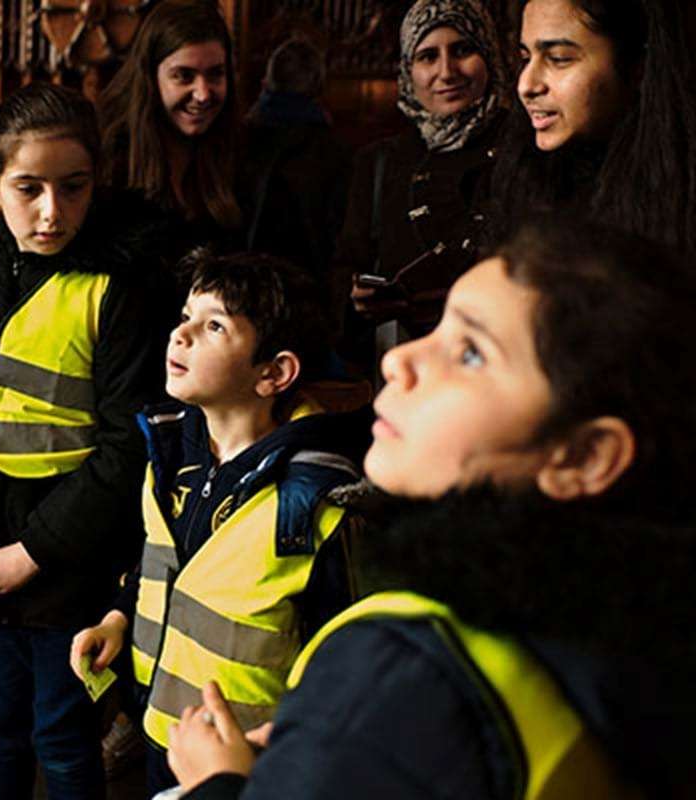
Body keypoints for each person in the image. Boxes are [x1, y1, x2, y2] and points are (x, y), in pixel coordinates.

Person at [165, 219, 696, 798]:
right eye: (437, 328)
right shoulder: (626, 637)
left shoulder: (403, 670)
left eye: (471, 352)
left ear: (586, 456)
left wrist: (218, 783)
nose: (401, 361)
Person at [0, 82, 160, 800]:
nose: (53, 212)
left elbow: (126, 449)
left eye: (73, 188)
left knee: (62, 732)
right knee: (1, 727)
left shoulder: (115, 286)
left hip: (74, 552)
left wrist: (33, 555)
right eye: (29, 188)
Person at [69, 251, 369, 796]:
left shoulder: (317, 502)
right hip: (167, 733)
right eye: (185, 314)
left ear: (273, 373)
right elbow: (169, 564)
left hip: (252, 762)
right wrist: (119, 618)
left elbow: (345, 664)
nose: (180, 334)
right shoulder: (168, 452)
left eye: (213, 326)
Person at [335, 0, 507, 370]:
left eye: (462, 50)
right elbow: (347, 266)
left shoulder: (524, 150)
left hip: (502, 366)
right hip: (406, 367)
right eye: (428, 56)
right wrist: (358, 298)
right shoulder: (380, 162)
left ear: (490, 56)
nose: (446, 72)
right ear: (408, 70)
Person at [491, 0, 696, 255]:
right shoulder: (529, 179)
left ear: (639, 67)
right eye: (525, 58)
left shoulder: (681, 198)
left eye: (559, 59)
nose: (526, 86)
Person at [97, 0, 242, 249]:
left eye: (216, 74)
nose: (203, 94)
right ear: (151, 79)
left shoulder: (242, 160)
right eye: (184, 76)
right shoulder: (109, 160)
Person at [241, 37, 354, 303]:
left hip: (243, 288)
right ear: (318, 90)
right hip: (309, 293)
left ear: (266, 83)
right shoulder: (335, 151)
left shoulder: (236, 141)